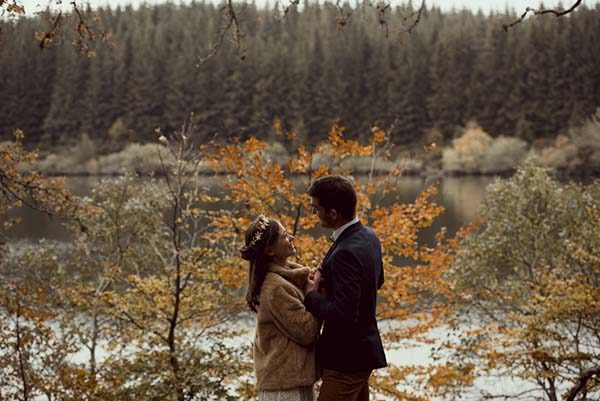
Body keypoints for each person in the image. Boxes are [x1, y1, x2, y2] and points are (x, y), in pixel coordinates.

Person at [304, 175, 387, 401]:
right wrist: (331, 285)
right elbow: (377, 281)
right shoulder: (369, 236)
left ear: (333, 213)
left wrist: (311, 295)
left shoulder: (345, 252)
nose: (314, 214)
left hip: (346, 360)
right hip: (361, 354)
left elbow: (343, 314)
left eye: (316, 209)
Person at [241, 215, 321, 401]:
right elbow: (307, 330)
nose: (291, 237)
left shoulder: (287, 279)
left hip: (292, 381)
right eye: (285, 236)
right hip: (285, 388)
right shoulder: (275, 287)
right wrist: (314, 296)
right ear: (270, 250)